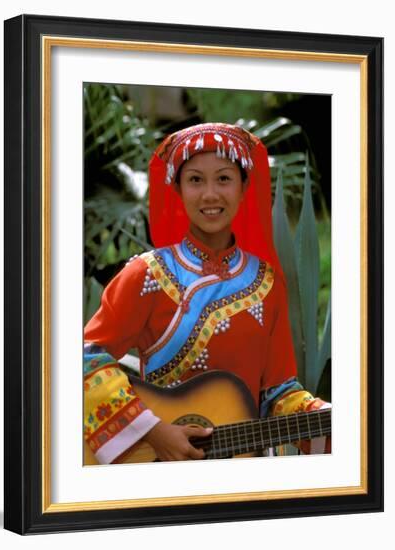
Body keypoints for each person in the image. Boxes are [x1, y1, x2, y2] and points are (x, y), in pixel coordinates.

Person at [84, 122, 331, 465]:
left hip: (245, 466)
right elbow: (83, 359)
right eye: (196, 180)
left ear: (245, 187)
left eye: (224, 179)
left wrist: (328, 418)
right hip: (160, 467)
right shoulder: (145, 275)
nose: (210, 194)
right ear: (178, 189)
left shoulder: (266, 282)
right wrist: (152, 431)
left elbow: (277, 392)